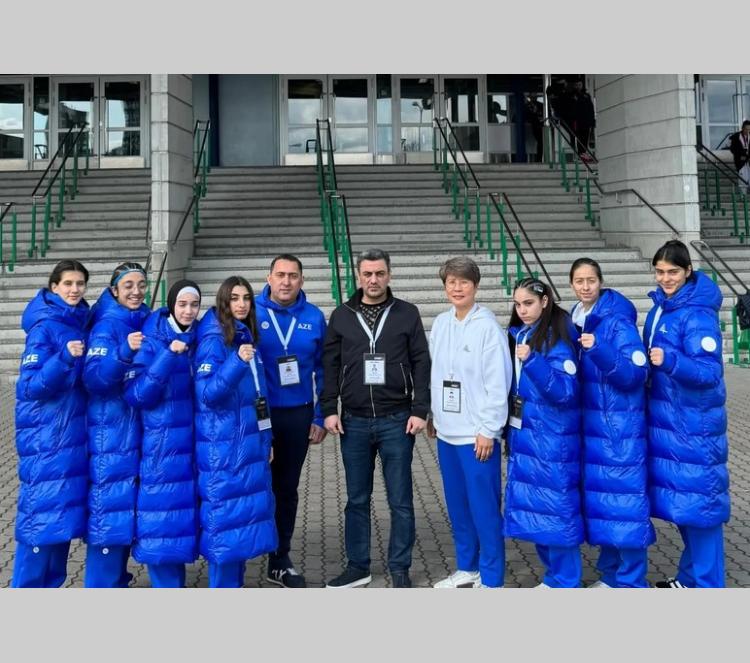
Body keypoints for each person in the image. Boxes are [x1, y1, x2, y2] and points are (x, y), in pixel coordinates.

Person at [321, 248, 431, 589]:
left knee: (400, 500)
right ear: (358, 276)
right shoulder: (341, 315)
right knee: (356, 499)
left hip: (397, 419)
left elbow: (421, 362)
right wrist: (328, 409)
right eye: (367, 274)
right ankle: (358, 566)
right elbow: (330, 365)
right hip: (353, 421)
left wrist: (420, 409)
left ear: (389, 275)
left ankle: (400, 567)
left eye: (379, 273)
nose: (373, 279)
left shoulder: (407, 313)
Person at [644, 240, 730, 588]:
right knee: (686, 507)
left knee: (702, 512)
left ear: (688, 271)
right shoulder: (663, 307)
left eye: (673, 272)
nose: (666, 278)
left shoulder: (697, 314)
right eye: (660, 272)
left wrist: (671, 361)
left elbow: (709, 372)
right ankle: (690, 579)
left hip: (696, 427)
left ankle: (709, 587)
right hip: (671, 423)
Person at [569, 258, 654, 588]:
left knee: (625, 506)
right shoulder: (576, 317)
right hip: (592, 428)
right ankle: (610, 576)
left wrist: (600, 349)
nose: (585, 286)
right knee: (605, 505)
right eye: (579, 281)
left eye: (591, 280)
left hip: (620, 429)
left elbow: (635, 373)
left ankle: (631, 580)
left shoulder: (617, 321)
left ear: (601, 282)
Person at [427, 257, 511, 589]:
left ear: (475, 286)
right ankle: (468, 567)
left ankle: (491, 578)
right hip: (447, 432)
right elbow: (436, 373)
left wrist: (489, 429)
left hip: (477, 435)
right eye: (451, 282)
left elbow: (498, 382)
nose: (457, 288)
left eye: (464, 282)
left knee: (484, 509)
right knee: (458, 507)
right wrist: (434, 413)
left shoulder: (488, 328)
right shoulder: (441, 323)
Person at [193, 276, 278, 588]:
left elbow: (258, 395)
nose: (241, 304)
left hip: (249, 443)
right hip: (223, 446)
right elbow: (208, 394)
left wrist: (266, 439)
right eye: (234, 298)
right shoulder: (213, 339)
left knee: (239, 526)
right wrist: (236, 363)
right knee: (226, 527)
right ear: (223, 302)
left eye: (246, 298)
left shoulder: (245, 336)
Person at [12, 259, 90, 588]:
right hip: (46, 439)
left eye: (80, 283)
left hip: (69, 438)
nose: (74, 289)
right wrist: (64, 358)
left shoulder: (79, 321)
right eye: (68, 283)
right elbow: (30, 387)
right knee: (40, 526)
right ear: (54, 286)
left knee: (59, 525)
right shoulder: (44, 327)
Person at [503, 277, 583, 588]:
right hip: (528, 435)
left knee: (556, 509)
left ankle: (566, 581)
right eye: (518, 304)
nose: (522, 310)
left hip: (553, 439)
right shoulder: (521, 333)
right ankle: (554, 578)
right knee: (538, 510)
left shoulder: (556, 339)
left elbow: (565, 392)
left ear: (545, 301)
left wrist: (534, 361)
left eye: (529, 303)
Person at [124, 280, 201, 588]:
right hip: (163, 447)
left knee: (183, 520)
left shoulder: (202, 337)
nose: (188, 311)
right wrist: (168, 355)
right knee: (163, 520)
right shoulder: (153, 339)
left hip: (195, 444)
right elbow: (137, 395)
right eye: (182, 304)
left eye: (194, 305)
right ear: (171, 305)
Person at [255, 254, 326, 588]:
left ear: (302, 280)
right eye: (280, 275)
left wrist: (321, 415)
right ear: (269, 278)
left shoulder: (314, 317)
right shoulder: (251, 313)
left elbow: (324, 369)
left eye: (293, 276)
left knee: (286, 488)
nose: (286, 281)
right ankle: (240, 551)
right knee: (252, 485)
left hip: (298, 414)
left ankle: (279, 559)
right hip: (257, 416)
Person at [82, 262, 150, 588]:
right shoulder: (106, 325)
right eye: (128, 286)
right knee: (108, 513)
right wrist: (123, 352)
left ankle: (117, 580)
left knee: (124, 509)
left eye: (141, 285)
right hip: (110, 431)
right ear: (114, 290)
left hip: (136, 430)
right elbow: (94, 379)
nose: (136, 292)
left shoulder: (145, 319)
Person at [569, 78, 596, 159]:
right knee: (579, 139)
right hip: (577, 122)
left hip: (586, 122)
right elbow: (572, 109)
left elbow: (591, 109)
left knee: (585, 139)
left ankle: (583, 154)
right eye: (577, 85)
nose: (578, 86)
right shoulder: (572, 96)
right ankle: (581, 154)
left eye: (580, 85)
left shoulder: (586, 95)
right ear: (574, 86)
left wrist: (592, 122)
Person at [728, 120, 750, 196]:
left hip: (748, 161)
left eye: (749, 129)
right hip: (741, 162)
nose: (747, 131)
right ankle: (743, 197)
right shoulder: (736, 137)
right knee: (743, 179)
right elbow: (732, 149)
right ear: (742, 128)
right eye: (746, 129)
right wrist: (741, 155)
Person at [524, 94, 544, 162]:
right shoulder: (540, 105)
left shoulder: (528, 106)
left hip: (537, 126)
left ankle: (539, 158)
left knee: (540, 142)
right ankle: (539, 159)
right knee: (540, 142)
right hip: (537, 126)